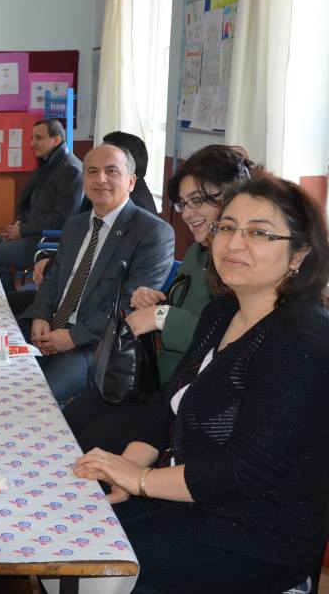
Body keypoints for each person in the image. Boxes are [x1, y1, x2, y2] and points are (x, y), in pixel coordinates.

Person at [74, 175, 329, 593]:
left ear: (300, 252)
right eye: (226, 227)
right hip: (191, 501)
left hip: (256, 536)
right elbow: (167, 404)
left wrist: (141, 480)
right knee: (74, 527)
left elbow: (245, 470)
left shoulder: (303, 339)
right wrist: (128, 469)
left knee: (92, 568)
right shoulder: (221, 312)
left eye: (258, 233)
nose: (233, 243)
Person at [63, 145, 253, 453]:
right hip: (149, 381)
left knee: (93, 440)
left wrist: (162, 316)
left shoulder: (240, 264)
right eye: (183, 204)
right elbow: (185, 306)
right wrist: (153, 302)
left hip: (183, 394)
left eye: (198, 201)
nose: (188, 213)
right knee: (71, 419)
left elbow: (226, 338)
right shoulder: (198, 252)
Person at [18, 143, 174, 404]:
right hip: (53, 325)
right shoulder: (76, 225)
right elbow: (54, 278)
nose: (100, 179)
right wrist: (40, 315)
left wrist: (73, 337)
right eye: (92, 171)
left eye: (111, 171)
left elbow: (130, 305)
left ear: (131, 181)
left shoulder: (153, 233)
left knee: (35, 399)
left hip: (98, 343)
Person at [0, 119, 83, 291]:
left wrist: (22, 231)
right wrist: (18, 225)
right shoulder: (47, 165)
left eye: (38, 138)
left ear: (56, 140)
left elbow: (62, 219)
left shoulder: (71, 170)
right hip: (30, 232)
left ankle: (9, 302)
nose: (32, 144)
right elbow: (31, 204)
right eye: (32, 138)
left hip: (48, 240)